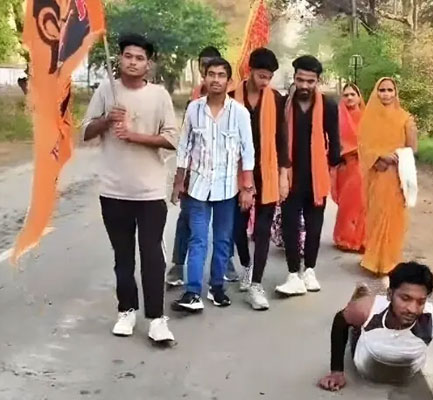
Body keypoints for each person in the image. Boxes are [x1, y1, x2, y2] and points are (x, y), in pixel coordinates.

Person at [82, 34, 177, 342]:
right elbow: (86, 131)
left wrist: (135, 136)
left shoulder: (159, 96)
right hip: (113, 190)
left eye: (139, 58)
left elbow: (171, 139)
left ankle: (157, 319)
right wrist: (107, 120)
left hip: (149, 192)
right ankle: (126, 310)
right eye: (128, 56)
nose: (133, 62)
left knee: (152, 255)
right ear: (119, 59)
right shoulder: (106, 90)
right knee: (122, 256)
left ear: (148, 64)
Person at [172, 57, 255, 312]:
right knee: (198, 239)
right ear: (204, 77)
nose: (215, 79)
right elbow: (184, 147)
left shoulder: (239, 113)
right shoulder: (194, 109)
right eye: (211, 74)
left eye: (221, 75)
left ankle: (217, 287)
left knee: (222, 240)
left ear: (229, 81)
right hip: (197, 187)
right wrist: (178, 183)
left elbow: (248, 152)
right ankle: (192, 292)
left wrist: (247, 188)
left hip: (227, 189)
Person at [318, 262, 433, 400]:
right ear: (390, 294)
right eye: (405, 298)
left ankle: (365, 293)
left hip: (406, 370)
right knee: (356, 319)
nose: (412, 309)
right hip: (366, 354)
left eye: (420, 301)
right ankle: (361, 295)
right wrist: (336, 372)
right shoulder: (365, 310)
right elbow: (340, 321)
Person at [228, 48, 291, 310]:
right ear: (249, 71)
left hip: (267, 169)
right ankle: (246, 264)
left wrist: (284, 175)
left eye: (269, 77)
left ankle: (256, 284)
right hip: (236, 170)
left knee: (263, 229)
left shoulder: (275, 99)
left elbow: (281, 139)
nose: (265, 81)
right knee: (236, 226)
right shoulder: (231, 98)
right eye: (261, 75)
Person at [275, 55, 341, 296]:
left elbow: (335, 141)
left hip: (316, 176)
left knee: (314, 227)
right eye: (300, 80)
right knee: (290, 227)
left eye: (310, 81)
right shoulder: (283, 104)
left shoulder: (328, 105)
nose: (304, 85)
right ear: (294, 78)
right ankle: (293, 273)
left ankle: (310, 270)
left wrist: (332, 166)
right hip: (290, 176)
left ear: (317, 81)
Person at [358, 78, 418, 277]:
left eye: (390, 90)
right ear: (376, 92)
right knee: (376, 217)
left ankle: (390, 262)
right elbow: (363, 147)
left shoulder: (404, 118)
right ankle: (373, 261)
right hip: (376, 174)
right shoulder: (368, 119)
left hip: (397, 176)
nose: (386, 94)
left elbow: (412, 148)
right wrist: (379, 156)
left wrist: (399, 153)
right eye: (382, 90)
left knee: (394, 219)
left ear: (395, 93)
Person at [331, 83, 366, 252]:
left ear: (359, 97)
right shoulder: (337, 118)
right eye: (346, 95)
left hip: (365, 165)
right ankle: (344, 239)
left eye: (353, 94)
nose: (350, 98)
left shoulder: (368, 118)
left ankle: (362, 240)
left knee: (363, 203)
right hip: (346, 165)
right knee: (347, 204)